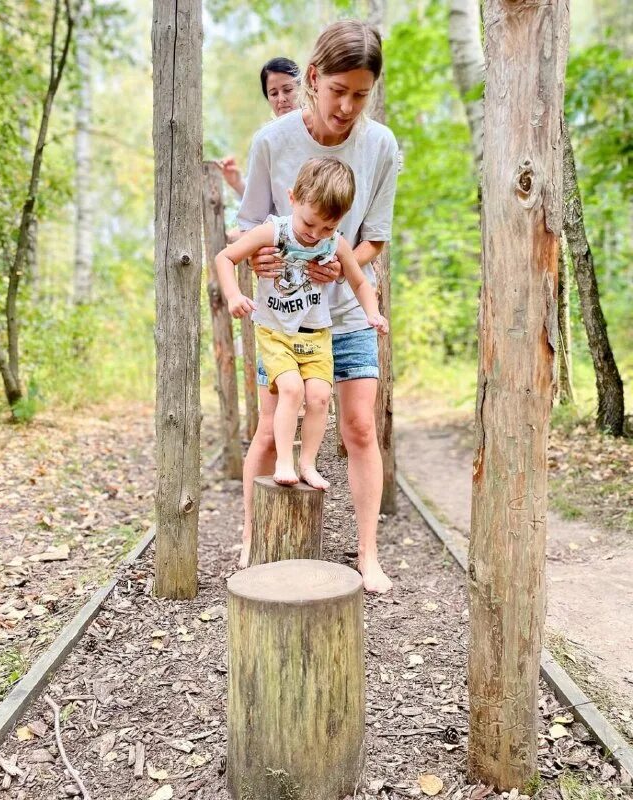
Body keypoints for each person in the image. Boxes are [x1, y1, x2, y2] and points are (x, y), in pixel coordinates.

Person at [237, 20, 399, 594]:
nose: (348, 106)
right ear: (312, 79)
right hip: (284, 314)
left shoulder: (380, 146)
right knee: (268, 425)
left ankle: (367, 554)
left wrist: (341, 262)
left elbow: (375, 236)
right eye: (338, 91)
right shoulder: (272, 142)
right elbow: (249, 223)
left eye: (361, 94)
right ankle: (254, 540)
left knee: (358, 425)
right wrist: (261, 262)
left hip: (348, 311)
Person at [216, 157, 388, 492]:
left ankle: (307, 463)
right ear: (293, 198)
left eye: (327, 228)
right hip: (276, 333)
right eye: (309, 225)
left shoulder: (334, 242)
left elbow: (360, 282)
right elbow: (226, 257)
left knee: (321, 396)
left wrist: (373, 313)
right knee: (292, 389)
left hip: (316, 335)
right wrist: (234, 294)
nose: (315, 236)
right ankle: (284, 460)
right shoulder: (274, 231)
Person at [218, 57, 300, 198]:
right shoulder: (265, 140)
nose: (281, 99)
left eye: (287, 90)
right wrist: (237, 182)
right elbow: (257, 201)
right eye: (274, 94)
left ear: (302, 88)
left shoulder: (321, 130)